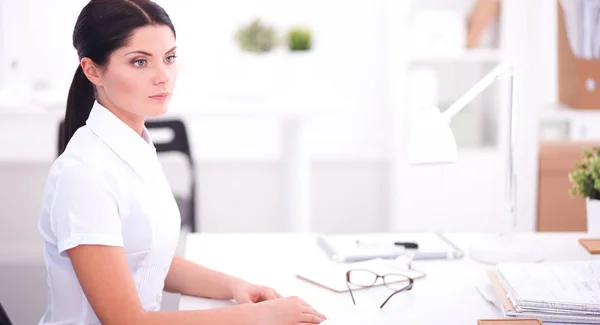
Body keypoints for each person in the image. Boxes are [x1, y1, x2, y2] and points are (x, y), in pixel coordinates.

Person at [37, 1, 327, 324]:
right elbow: (126, 321)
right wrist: (260, 316)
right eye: (139, 62)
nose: (163, 77)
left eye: (169, 58)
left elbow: (147, 257)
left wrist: (234, 286)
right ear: (93, 70)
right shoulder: (83, 175)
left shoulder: (134, 147)